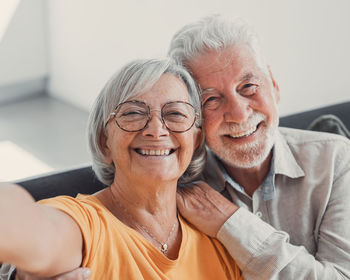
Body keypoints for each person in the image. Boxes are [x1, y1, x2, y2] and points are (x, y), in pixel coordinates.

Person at [0, 58, 242, 279]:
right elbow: (27, 225)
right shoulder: (86, 226)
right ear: (105, 141)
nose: (156, 130)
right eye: (133, 113)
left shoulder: (218, 240)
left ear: (196, 141)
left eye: (175, 113)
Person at [169, 15, 350, 279]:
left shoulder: (336, 159)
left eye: (249, 87)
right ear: (192, 116)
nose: (239, 115)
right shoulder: (178, 187)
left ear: (274, 87)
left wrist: (229, 223)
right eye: (211, 99)